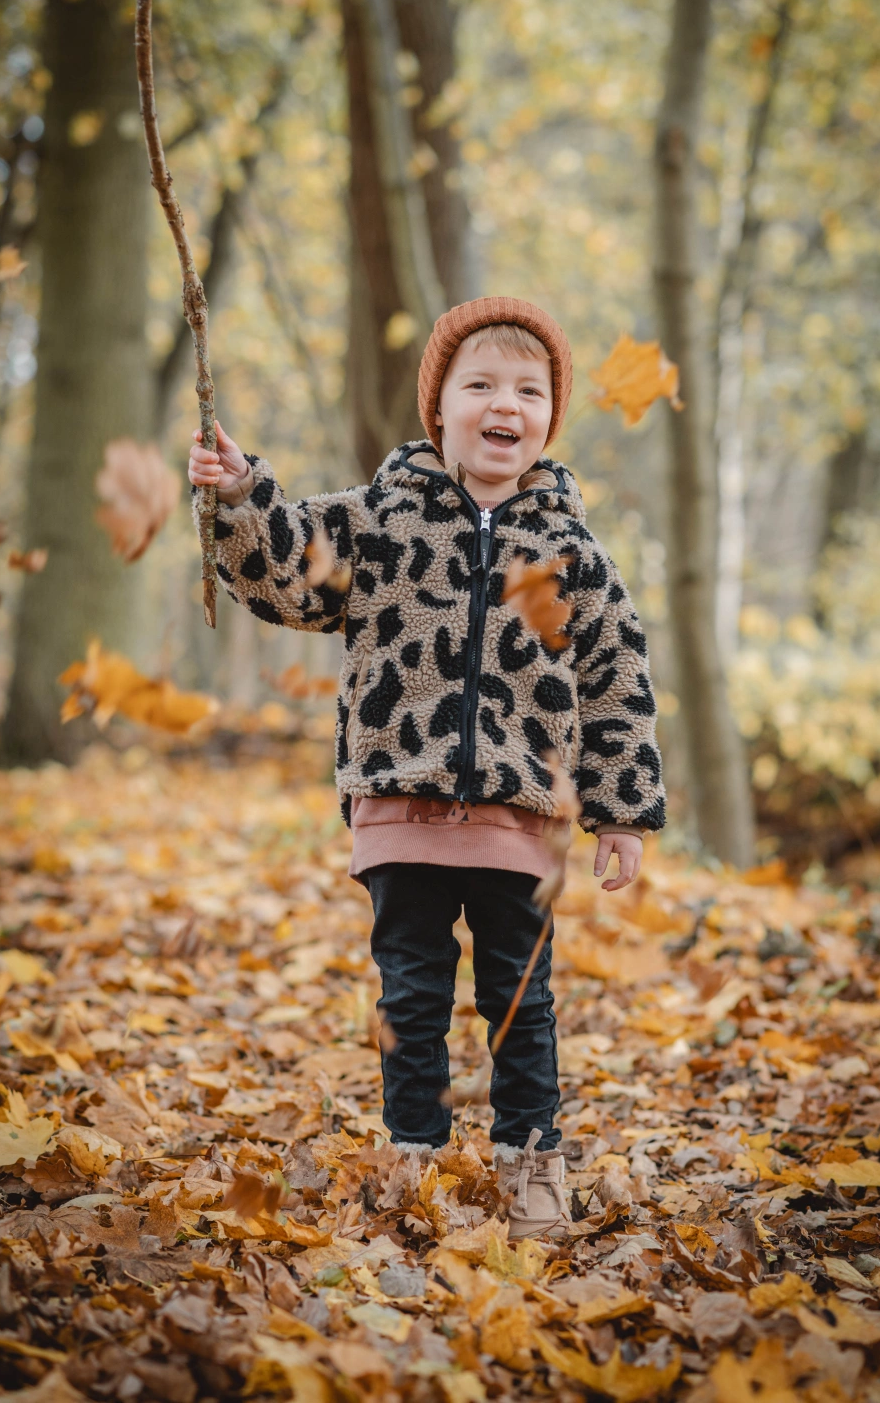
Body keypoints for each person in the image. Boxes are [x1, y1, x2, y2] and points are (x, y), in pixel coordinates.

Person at [188, 296, 665, 1239]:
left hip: (519, 822)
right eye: (480, 385)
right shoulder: (381, 523)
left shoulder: (573, 553)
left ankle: (533, 1162)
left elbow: (615, 681)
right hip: (399, 806)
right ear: (438, 409)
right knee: (411, 995)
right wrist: (243, 495)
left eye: (528, 391)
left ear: (548, 420)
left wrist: (622, 812)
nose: (505, 404)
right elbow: (285, 572)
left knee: (520, 1002)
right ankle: (413, 1154)